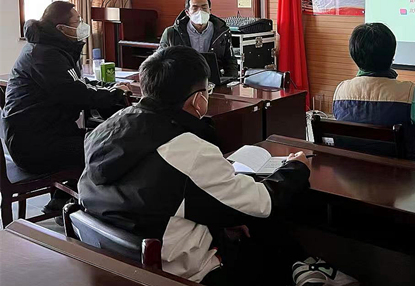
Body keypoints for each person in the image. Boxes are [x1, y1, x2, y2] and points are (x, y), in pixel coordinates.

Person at [78, 46, 313, 285]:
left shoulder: (107, 128)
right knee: (272, 249)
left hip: (113, 266)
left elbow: (164, 195)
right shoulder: (188, 150)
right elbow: (262, 203)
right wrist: (296, 168)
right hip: (181, 276)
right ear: (198, 100)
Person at [1, 1, 129, 213]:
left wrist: (107, 87)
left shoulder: (53, 48)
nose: (82, 25)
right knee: (105, 148)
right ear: (61, 28)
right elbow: (76, 94)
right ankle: (91, 210)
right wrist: (114, 93)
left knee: (99, 138)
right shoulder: (44, 55)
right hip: (35, 146)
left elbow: (77, 83)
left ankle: (61, 201)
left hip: (45, 134)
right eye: (77, 21)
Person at [332, 23, 415, 156]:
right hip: (401, 168)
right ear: (391, 55)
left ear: (354, 55)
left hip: (352, 166)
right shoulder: (409, 93)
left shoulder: (341, 91)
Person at [158, 0, 238, 77]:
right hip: (181, 78)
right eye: (195, 8)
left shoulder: (222, 31)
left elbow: (230, 60)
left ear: (210, 10)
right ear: (187, 12)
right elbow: (159, 60)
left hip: (212, 78)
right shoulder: (171, 33)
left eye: (204, 7)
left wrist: (231, 80)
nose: (200, 11)